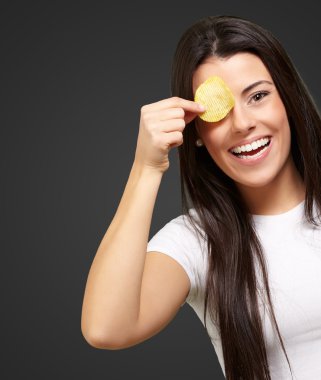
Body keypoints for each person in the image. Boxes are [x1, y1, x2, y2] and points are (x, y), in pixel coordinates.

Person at [81, 15, 321, 379]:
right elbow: (106, 327)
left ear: (286, 98)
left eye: (258, 96)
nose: (242, 124)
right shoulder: (198, 242)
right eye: (218, 110)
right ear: (194, 130)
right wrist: (146, 168)